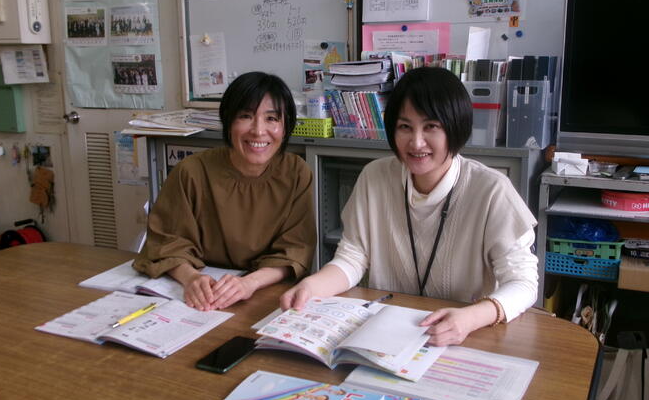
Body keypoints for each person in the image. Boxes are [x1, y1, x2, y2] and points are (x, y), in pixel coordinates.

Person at [281, 67, 538, 345]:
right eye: (405, 127)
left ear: (456, 127)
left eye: (431, 127)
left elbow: (523, 283)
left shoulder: (491, 190)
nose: (416, 142)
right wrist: (312, 286)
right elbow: (352, 258)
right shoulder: (374, 177)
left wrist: (472, 317)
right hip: (387, 333)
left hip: (465, 335)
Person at [134, 71, 315, 311]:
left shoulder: (296, 172)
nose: (258, 130)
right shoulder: (192, 171)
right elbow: (166, 243)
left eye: (272, 118)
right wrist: (191, 278)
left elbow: (296, 250)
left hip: (265, 293)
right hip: (204, 295)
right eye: (245, 116)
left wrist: (249, 283)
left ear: (286, 126)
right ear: (228, 121)